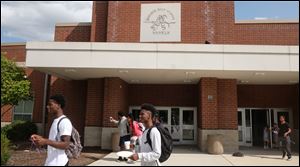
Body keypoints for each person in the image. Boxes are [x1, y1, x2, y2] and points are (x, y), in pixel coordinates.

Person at [31, 94, 72, 166]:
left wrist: (45, 141)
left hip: (59, 163)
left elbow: (66, 144)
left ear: (58, 105)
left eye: (50, 104)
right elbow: (53, 141)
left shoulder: (64, 122)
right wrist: (40, 140)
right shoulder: (55, 121)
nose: (47, 107)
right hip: (51, 162)